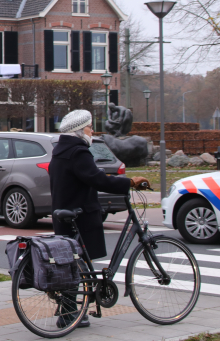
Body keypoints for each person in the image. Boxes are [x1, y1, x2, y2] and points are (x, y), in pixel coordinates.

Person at [48, 109, 149, 328]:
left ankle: (73, 311)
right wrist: (129, 182)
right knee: (77, 264)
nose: (92, 131)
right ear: (78, 130)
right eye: (89, 127)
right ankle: (69, 314)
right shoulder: (79, 152)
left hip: (63, 215)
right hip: (81, 216)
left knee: (73, 264)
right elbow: (97, 179)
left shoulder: (60, 151)